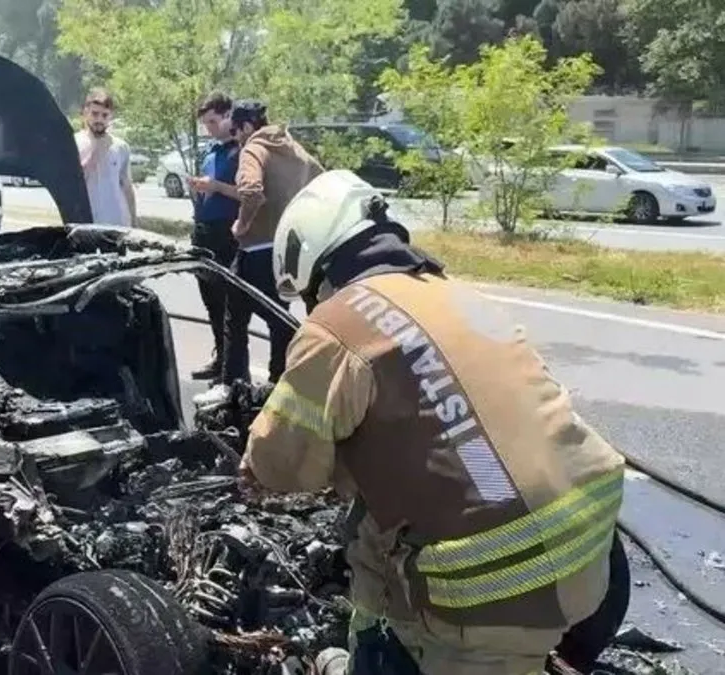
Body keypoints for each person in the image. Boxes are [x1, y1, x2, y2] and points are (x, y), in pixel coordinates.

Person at [241, 169, 627, 674]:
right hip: (595, 557)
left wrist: (251, 471)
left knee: (375, 574)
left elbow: (283, 468)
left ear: (316, 268)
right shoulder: (459, 295)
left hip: (491, 598)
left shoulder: (334, 326)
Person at [196, 100, 322, 405]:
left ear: (248, 127)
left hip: (254, 248)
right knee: (279, 318)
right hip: (285, 248)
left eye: (237, 132)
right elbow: (322, 180)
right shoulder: (293, 148)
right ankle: (280, 384)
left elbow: (251, 191)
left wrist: (241, 224)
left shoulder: (253, 148)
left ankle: (231, 387)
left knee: (234, 317)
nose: (237, 140)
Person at [187, 92, 241, 382]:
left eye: (213, 121)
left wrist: (217, 186)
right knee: (210, 300)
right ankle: (219, 356)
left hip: (227, 234)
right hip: (204, 232)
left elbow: (246, 194)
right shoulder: (211, 151)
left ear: (228, 116)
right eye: (205, 123)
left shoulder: (241, 151)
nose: (209, 128)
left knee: (229, 303)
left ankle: (230, 366)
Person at [75, 87, 137, 227]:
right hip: (86, 224)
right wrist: (97, 149)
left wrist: (133, 221)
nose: (99, 120)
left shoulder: (121, 147)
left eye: (104, 115)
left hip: (117, 224)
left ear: (111, 116)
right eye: (95, 114)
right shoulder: (74, 143)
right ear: (85, 113)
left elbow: (127, 186)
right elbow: (73, 182)